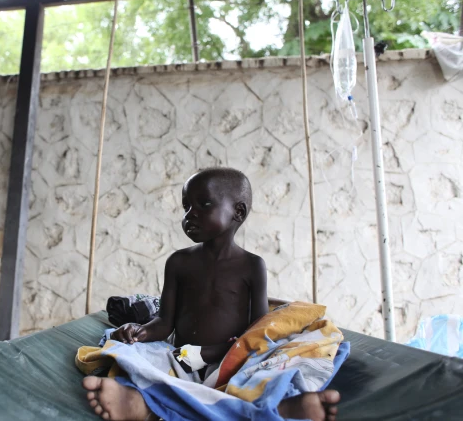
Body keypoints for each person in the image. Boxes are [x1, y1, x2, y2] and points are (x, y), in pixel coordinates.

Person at [82, 167, 341, 421]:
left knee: (267, 371)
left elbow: (258, 334)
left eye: (203, 204)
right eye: (186, 207)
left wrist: (213, 353)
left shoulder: (252, 266)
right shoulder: (178, 262)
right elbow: (164, 323)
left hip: (231, 359)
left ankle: (283, 407)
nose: (190, 215)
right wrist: (139, 333)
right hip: (180, 358)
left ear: (237, 212)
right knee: (130, 354)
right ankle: (136, 403)